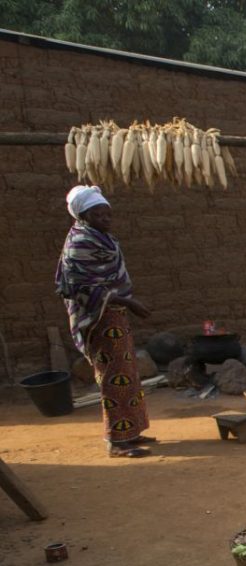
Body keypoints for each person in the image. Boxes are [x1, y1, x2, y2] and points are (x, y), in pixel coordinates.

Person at [54, 186, 157, 458]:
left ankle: (131, 431)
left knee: (127, 373)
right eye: (99, 213)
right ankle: (116, 440)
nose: (106, 218)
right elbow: (81, 287)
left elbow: (110, 278)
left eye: (108, 213)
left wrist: (123, 304)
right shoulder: (80, 243)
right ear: (83, 214)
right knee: (113, 377)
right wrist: (128, 302)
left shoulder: (101, 238)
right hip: (97, 318)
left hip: (113, 314)